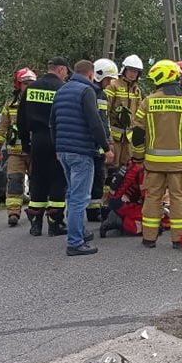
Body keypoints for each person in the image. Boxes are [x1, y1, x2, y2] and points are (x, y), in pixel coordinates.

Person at [131, 59, 182, 248]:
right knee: (179, 198)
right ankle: (179, 240)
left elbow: (138, 133)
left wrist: (138, 156)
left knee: (153, 197)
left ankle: (149, 238)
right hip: (179, 164)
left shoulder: (148, 102)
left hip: (153, 163)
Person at [50, 60, 114, 256]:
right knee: (80, 198)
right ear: (90, 75)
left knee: (71, 194)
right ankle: (75, 242)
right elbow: (95, 122)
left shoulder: (61, 91)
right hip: (81, 152)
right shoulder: (87, 91)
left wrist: (57, 147)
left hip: (63, 151)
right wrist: (106, 148)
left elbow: (52, 122)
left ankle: (79, 232)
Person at [18, 57, 70, 237]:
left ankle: (36, 223)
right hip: (58, 138)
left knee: (38, 179)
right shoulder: (62, 89)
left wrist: (26, 144)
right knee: (57, 179)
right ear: (61, 70)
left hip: (37, 140)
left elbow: (21, 119)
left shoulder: (31, 88)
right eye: (66, 72)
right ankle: (55, 223)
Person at [0, 67, 36, 226]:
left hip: (34, 150)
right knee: (15, 181)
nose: (29, 86)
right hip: (15, 152)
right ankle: (13, 213)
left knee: (36, 182)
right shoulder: (10, 105)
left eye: (32, 83)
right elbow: (2, 127)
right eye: (25, 83)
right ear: (18, 85)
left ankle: (35, 210)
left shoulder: (38, 102)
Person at [86, 58, 119, 222]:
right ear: (98, 76)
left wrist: (109, 141)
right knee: (91, 180)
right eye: (108, 79)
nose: (109, 83)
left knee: (99, 178)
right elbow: (95, 122)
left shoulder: (103, 95)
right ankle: (91, 211)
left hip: (101, 144)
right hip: (91, 144)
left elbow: (105, 121)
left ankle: (95, 210)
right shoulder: (89, 92)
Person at [104, 54, 143, 169]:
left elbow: (139, 112)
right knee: (111, 165)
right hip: (114, 135)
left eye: (136, 71)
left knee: (126, 167)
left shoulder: (136, 90)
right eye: (131, 70)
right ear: (124, 70)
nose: (133, 73)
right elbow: (105, 109)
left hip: (128, 137)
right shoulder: (113, 85)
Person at [99, 160, 146, 237]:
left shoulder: (131, 164)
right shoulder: (141, 171)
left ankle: (113, 217)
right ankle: (116, 222)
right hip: (122, 204)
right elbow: (146, 195)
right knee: (151, 218)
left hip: (115, 201)